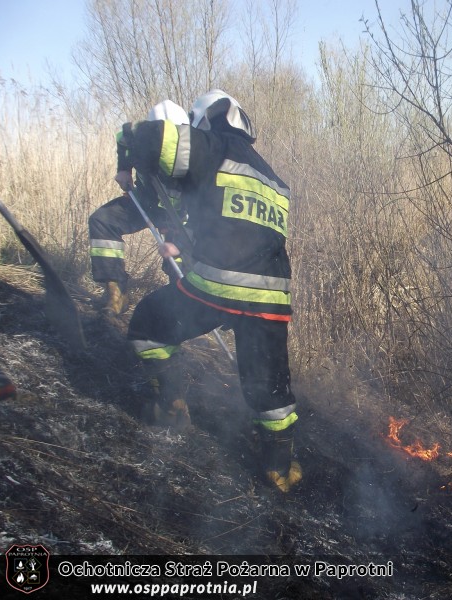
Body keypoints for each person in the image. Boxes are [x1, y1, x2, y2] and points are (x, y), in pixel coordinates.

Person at [119, 89, 301, 493]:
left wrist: (124, 152)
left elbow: (153, 139)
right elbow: (232, 229)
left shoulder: (211, 147)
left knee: (147, 326)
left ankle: (171, 405)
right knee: (270, 386)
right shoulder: (276, 181)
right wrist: (185, 244)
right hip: (272, 297)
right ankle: (279, 467)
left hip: (218, 287)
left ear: (203, 121)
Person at [89, 100, 190, 316]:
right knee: (103, 221)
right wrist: (123, 169)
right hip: (144, 203)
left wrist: (177, 236)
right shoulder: (140, 136)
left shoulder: (191, 152)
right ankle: (116, 295)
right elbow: (123, 137)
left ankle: (179, 311)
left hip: (178, 216)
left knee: (179, 262)